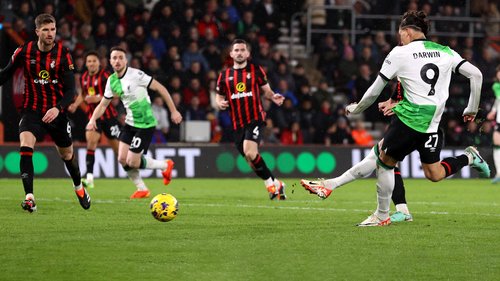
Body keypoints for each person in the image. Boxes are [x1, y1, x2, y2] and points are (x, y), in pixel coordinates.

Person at [302, 10, 489, 226]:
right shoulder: (446, 52)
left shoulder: (400, 53)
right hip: (433, 125)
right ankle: (469, 157)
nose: (400, 38)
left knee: (384, 161)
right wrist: (471, 109)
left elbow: (374, 90)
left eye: (400, 33)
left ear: (407, 32)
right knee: (434, 173)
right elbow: (476, 74)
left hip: (411, 122)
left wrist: (357, 108)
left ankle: (381, 215)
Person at [0, 13, 91, 212]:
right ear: (37, 32)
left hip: (56, 113)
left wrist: (57, 108)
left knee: (67, 156)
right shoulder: (24, 51)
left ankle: (79, 187)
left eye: (53, 29)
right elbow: (5, 74)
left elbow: (71, 92)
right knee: (25, 146)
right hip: (31, 111)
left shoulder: (63, 54)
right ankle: (30, 197)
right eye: (46, 30)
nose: (50, 34)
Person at [86, 46, 182, 199]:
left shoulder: (136, 75)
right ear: (110, 61)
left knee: (132, 161)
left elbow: (161, 88)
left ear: (126, 60)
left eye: (120, 58)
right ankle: (141, 188)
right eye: (114, 58)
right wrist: (92, 119)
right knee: (121, 159)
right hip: (130, 123)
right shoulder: (111, 81)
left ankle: (165, 165)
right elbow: (103, 104)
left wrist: (174, 111)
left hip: (145, 124)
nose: (117, 61)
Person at [216, 39, 287, 200]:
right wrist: (219, 102)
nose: (240, 53)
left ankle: (269, 184)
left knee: (250, 152)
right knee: (250, 159)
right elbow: (219, 95)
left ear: (248, 54)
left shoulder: (256, 70)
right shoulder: (224, 75)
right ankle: (277, 183)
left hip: (255, 118)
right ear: (231, 53)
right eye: (237, 50)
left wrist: (273, 96)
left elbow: (267, 91)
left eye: (242, 50)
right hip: (237, 123)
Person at [68, 51, 120, 189]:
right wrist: (75, 104)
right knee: (91, 143)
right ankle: (89, 178)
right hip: (94, 117)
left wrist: (98, 98)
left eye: (94, 61)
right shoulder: (84, 77)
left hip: (109, 117)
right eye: (89, 61)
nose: (91, 63)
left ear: (99, 63)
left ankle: (135, 176)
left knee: (119, 153)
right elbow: (83, 94)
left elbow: (117, 92)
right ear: (86, 63)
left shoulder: (106, 76)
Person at [487, 65, 500, 183]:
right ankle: (498, 173)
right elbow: (498, 99)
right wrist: (493, 111)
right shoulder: (496, 86)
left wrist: (493, 110)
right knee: (497, 144)